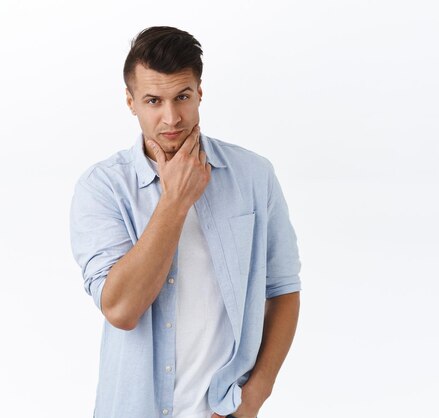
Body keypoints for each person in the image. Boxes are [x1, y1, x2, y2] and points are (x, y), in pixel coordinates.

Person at [69, 26, 302, 418]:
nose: (171, 117)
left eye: (182, 97)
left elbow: (282, 290)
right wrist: (175, 201)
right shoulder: (102, 188)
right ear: (130, 102)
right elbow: (122, 310)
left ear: (200, 92)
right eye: (153, 101)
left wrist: (254, 397)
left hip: (223, 409)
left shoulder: (253, 176)